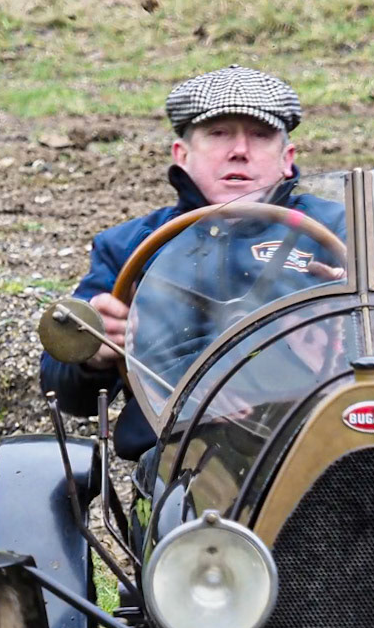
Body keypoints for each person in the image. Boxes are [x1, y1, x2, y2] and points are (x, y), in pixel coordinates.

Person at [41, 65, 345, 459]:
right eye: (218, 134)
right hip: (179, 459)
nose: (239, 150)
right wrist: (93, 353)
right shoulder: (129, 246)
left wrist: (372, 308)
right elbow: (65, 392)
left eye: (260, 135)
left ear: (287, 158)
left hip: (320, 442)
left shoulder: (339, 231)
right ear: (181, 155)